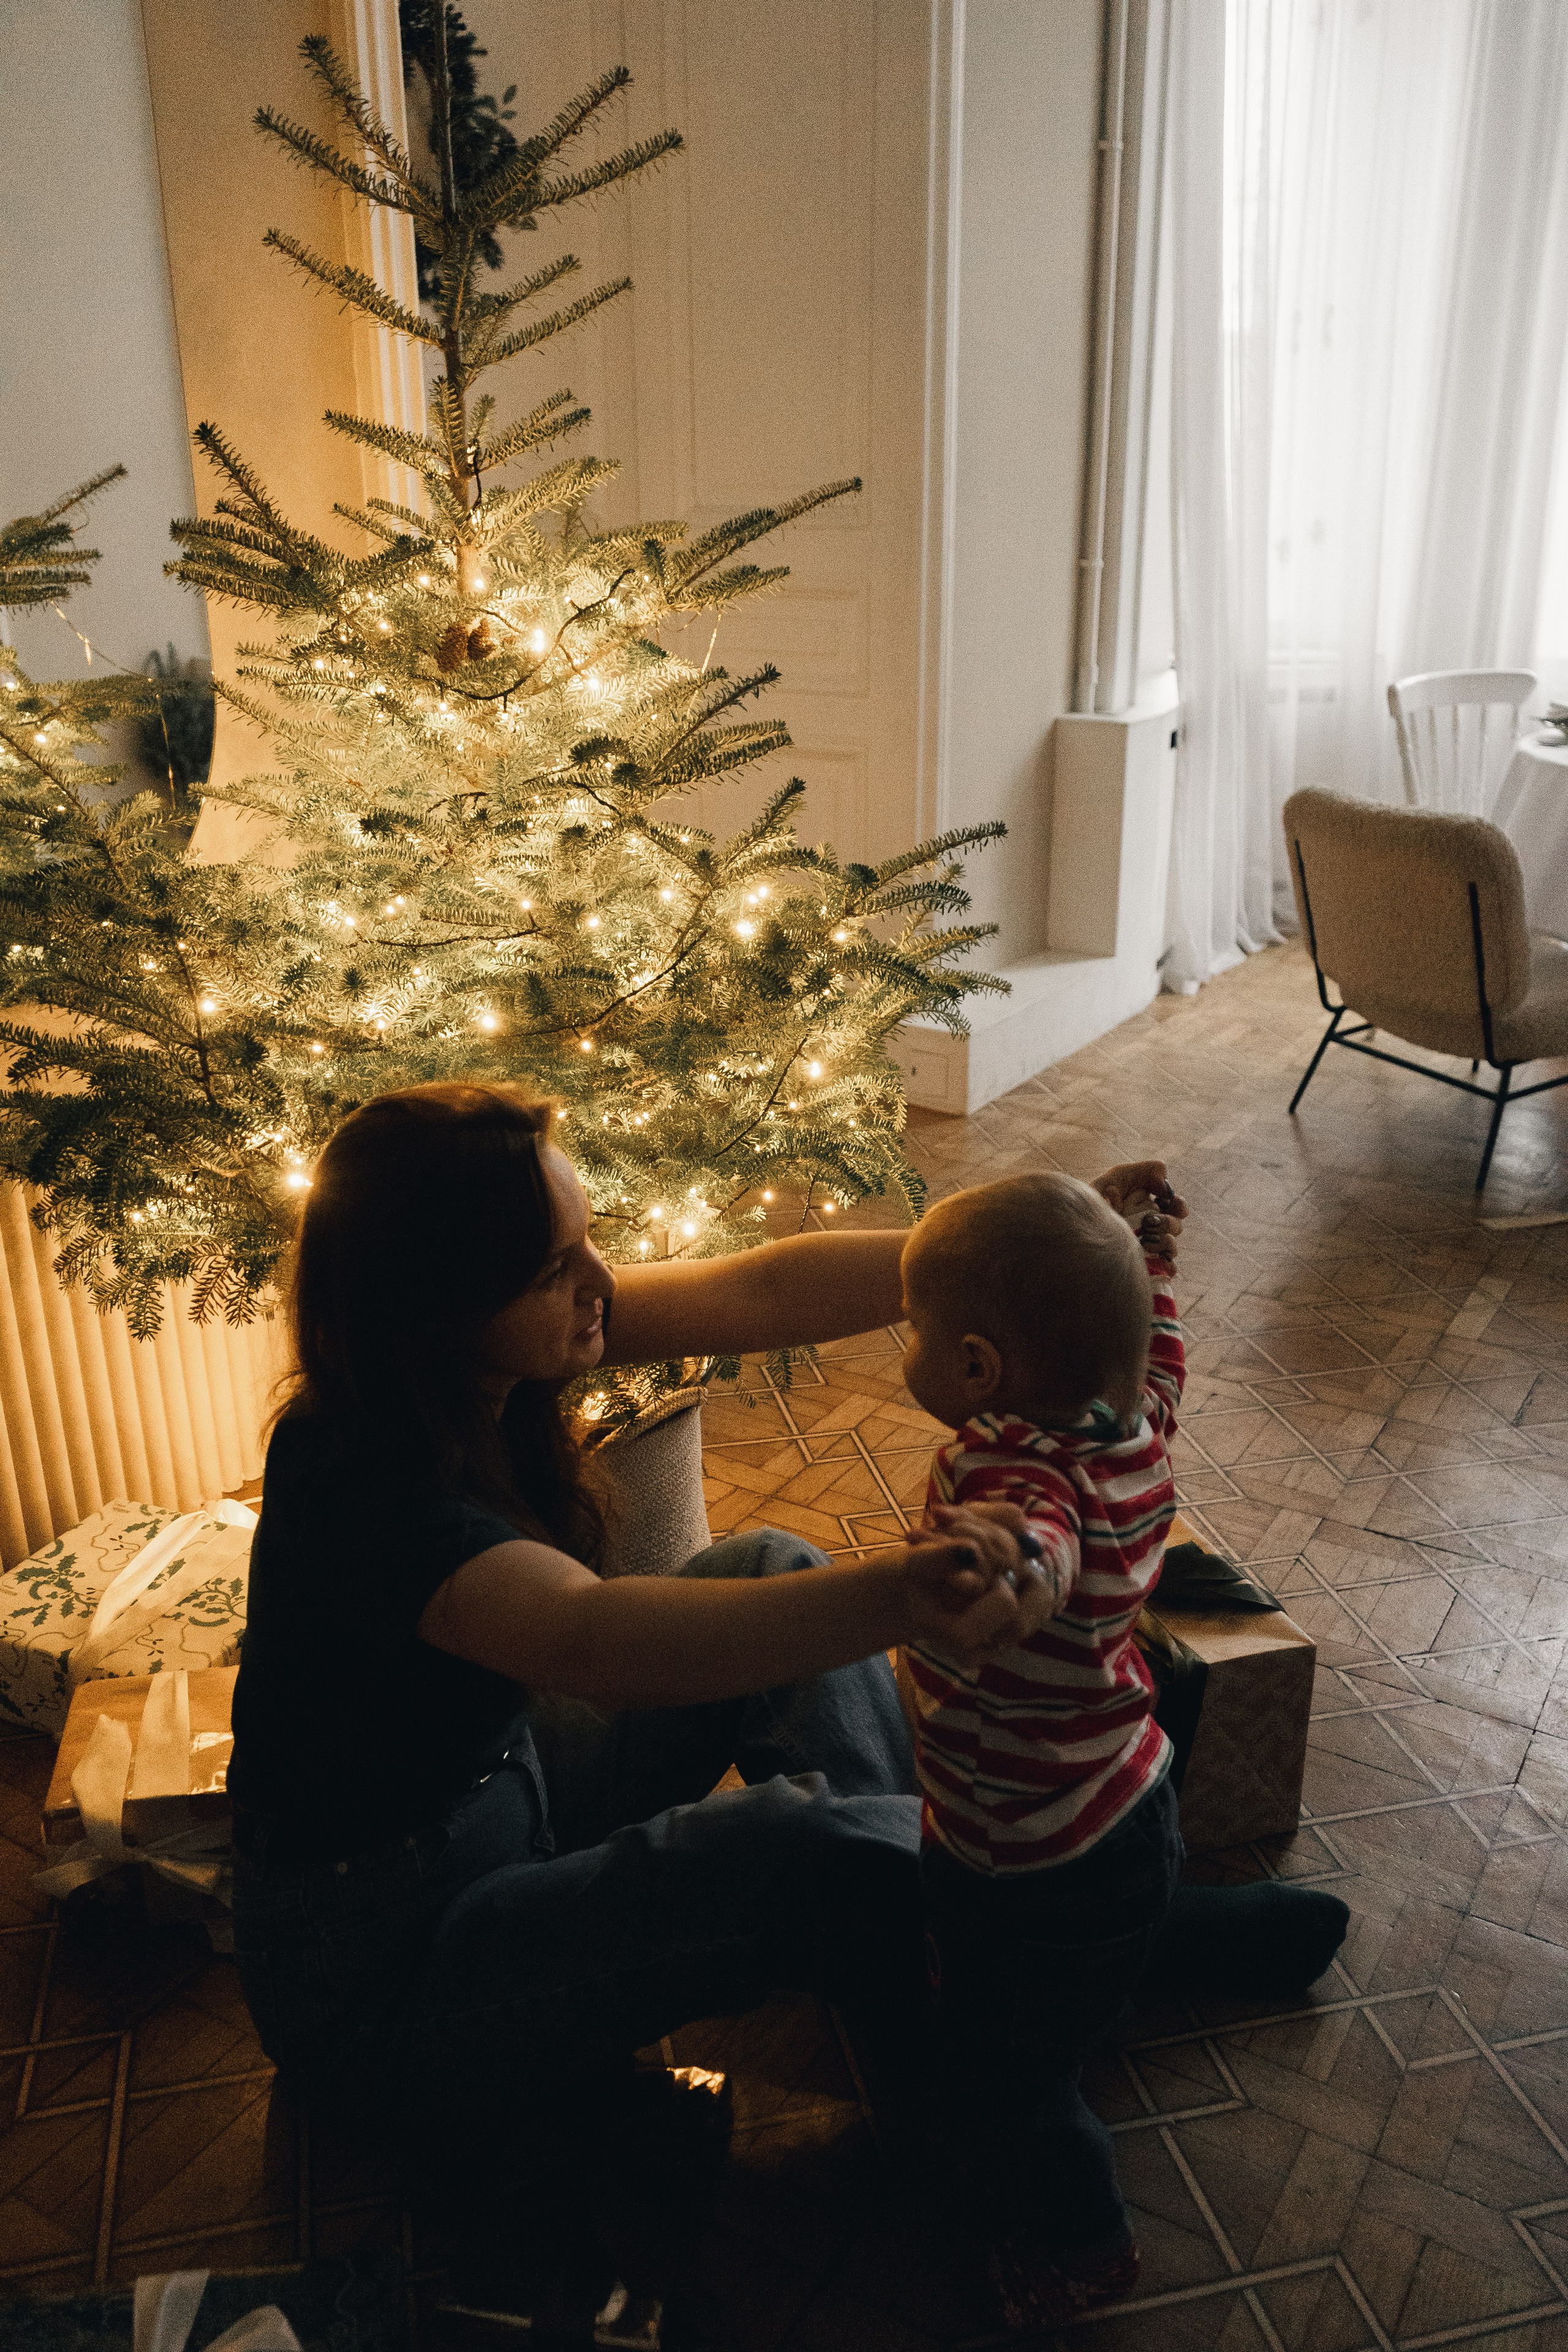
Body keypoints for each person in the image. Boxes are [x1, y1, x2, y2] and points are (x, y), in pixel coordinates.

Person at [228, 1084, 1345, 2318]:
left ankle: (1036, 1924)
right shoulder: (362, 1491)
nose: (600, 1282)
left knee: (770, 1563)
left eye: (588, 1244)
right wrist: (909, 1592)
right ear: (438, 1303)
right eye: (558, 1267)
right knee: (792, 1849)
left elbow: (761, 1291)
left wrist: (1041, 1247)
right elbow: (598, 1641)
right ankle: (1055, 1944)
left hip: (504, 1799)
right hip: (387, 1985)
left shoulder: (482, 1351)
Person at [897, 1172, 1201, 2328]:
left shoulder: (1013, 1474)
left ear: (977, 1369)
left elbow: (1045, 1535)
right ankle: (1178, 1946)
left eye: (914, 1333)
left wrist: (1013, 1569)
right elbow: (1161, 1355)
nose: (907, 1348)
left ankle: (1085, 2246)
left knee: (1009, 2075)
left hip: (1029, 1856)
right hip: (1127, 1795)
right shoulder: (1134, 1419)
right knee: (1095, 1960)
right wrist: (1148, 1260)